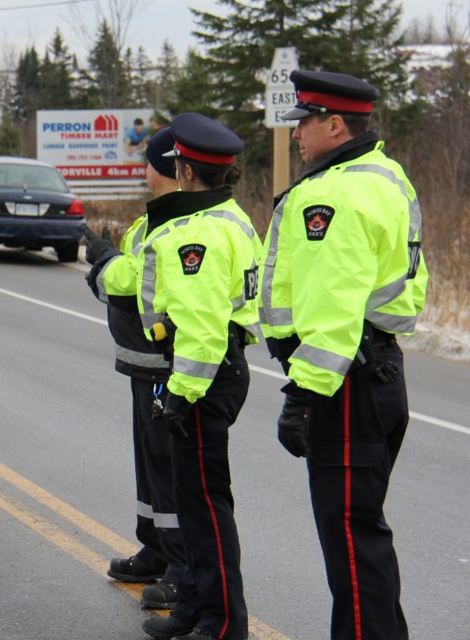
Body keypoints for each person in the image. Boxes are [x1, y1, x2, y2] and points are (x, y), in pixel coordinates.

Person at [260, 70, 428, 640]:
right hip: (378, 370)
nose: (296, 136)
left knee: (352, 541)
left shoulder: (332, 193)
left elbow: (335, 307)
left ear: (334, 124)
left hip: (346, 382)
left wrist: (303, 392)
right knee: (363, 535)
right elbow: (406, 284)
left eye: (303, 123)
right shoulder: (387, 177)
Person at [85, 112, 261, 640]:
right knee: (191, 501)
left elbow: (202, 331)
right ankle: (192, 609)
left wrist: (180, 396)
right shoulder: (228, 217)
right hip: (210, 372)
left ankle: (223, 624)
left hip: (203, 377)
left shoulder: (197, 235)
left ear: (185, 171)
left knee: (207, 510)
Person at [93, 128, 187, 608]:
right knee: (150, 469)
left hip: (166, 366)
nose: (142, 169)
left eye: (148, 161)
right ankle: (154, 547)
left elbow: (132, 283)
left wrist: (102, 263)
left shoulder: (178, 221)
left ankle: (179, 565)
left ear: (166, 168)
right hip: (142, 363)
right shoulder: (152, 218)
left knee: (169, 470)